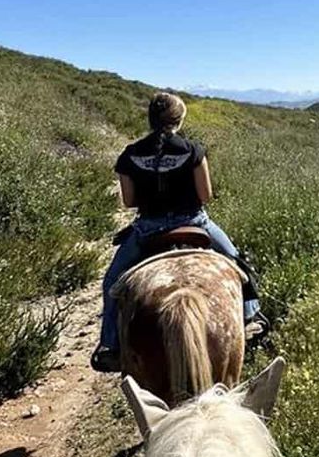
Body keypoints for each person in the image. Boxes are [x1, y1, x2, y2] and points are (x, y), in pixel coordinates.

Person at [91, 91, 260, 372]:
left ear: (151, 120)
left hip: (148, 229)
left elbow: (129, 201)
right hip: (193, 222)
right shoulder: (193, 150)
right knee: (237, 261)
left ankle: (110, 344)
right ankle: (250, 317)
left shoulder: (130, 154)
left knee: (112, 282)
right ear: (178, 120)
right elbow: (205, 195)